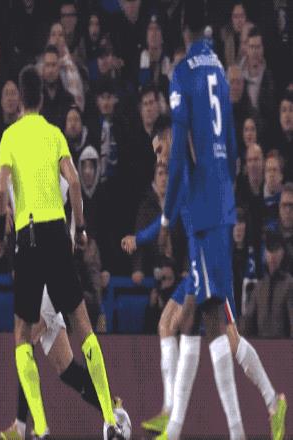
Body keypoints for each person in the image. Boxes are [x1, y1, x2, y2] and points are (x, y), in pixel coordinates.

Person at [156, 3, 286, 438]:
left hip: (204, 212)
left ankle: (268, 404)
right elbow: (230, 145)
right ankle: (207, 428)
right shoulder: (218, 68)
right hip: (219, 204)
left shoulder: (182, 73)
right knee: (202, 320)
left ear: (182, 32)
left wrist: (167, 216)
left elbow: (178, 154)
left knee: (217, 322)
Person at [0, 65, 129, 439]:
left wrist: (0, 235)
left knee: (22, 335)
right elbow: (74, 181)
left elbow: (1, 190)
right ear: (42, 97)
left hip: (28, 237)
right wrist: (80, 229)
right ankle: (111, 416)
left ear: (19, 100)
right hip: (56, 234)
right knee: (81, 329)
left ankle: (38, 428)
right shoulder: (54, 135)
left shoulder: (10, 137)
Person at [0, 155, 129, 440]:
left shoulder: (49, 178)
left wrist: (73, 235)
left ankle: (20, 428)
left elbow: (74, 193)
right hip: (29, 282)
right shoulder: (8, 181)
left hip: (47, 280)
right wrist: (2, 209)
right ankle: (112, 406)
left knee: (25, 340)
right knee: (65, 367)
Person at [240, 230, 293, 338]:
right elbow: (247, 321)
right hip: (262, 345)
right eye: (269, 250)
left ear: (283, 253)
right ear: (265, 253)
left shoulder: (289, 284)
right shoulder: (260, 286)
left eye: (276, 249)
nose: (272, 255)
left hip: (284, 345)